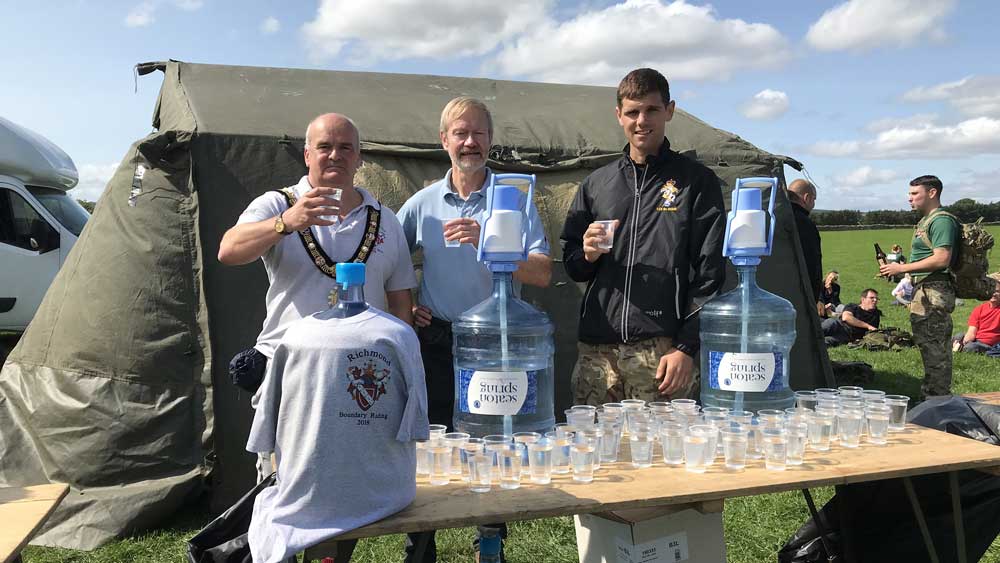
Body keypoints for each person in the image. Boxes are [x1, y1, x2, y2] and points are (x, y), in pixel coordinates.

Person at [219, 113, 418, 478]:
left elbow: (400, 305)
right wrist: (285, 224)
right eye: (325, 146)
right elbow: (228, 250)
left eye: (346, 148)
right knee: (285, 479)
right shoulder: (278, 204)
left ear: (359, 158)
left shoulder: (385, 218)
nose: (335, 155)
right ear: (307, 154)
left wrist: (405, 372)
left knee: (355, 479)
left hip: (363, 376)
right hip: (292, 372)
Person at [397, 97, 551, 563]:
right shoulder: (422, 205)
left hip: (498, 344)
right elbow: (391, 267)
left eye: (478, 133)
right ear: (444, 141)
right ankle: (421, 545)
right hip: (440, 340)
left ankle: (489, 541)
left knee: (494, 444)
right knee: (434, 442)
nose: (470, 142)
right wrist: (409, 309)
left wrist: (491, 244)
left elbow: (542, 272)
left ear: (491, 140)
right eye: (460, 133)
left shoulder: (513, 198)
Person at [560, 68, 726, 406]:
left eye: (651, 110)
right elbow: (574, 267)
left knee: (659, 456)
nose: (641, 121)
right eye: (633, 112)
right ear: (618, 115)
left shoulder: (696, 182)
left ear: (669, 110)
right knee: (593, 453)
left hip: (661, 353)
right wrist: (587, 254)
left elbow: (710, 274)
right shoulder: (598, 183)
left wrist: (686, 348)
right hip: (597, 353)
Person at [880, 175, 959, 399]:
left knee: (936, 351)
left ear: (932, 193)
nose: (910, 198)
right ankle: (932, 400)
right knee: (928, 347)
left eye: (915, 193)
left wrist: (902, 268)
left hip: (934, 292)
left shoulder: (941, 220)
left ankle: (938, 403)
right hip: (924, 290)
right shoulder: (927, 220)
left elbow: (942, 259)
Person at [787, 179, 823, 308]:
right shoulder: (805, 224)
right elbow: (813, 264)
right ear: (806, 198)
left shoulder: (775, 218)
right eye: (814, 199)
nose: (813, 204)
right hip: (799, 295)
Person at [952, 273, 1000, 354]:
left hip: (990, 344)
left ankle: (959, 347)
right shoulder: (979, 309)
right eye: (992, 291)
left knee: (970, 347)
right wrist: (964, 341)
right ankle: (957, 346)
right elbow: (972, 332)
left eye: (997, 291)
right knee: (959, 336)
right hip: (976, 339)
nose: (994, 294)